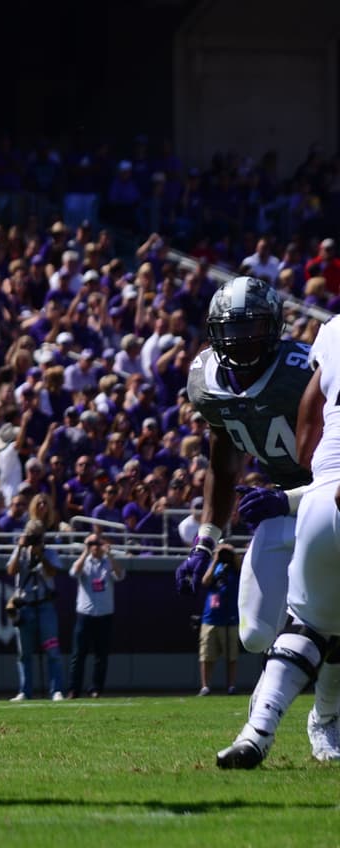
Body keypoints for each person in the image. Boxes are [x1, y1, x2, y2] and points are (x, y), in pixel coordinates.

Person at [171, 277, 339, 764]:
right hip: (279, 516)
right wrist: (205, 541)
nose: (242, 338)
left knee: (330, 623)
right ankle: (288, 686)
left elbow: (331, 465)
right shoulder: (205, 380)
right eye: (233, 328)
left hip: (318, 501)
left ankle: (321, 718)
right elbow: (222, 465)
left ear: (276, 326)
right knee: (256, 635)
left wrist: (285, 498)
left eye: (253, 326)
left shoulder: (300, 369)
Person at [217, 309, 340, 766]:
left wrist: (295, 496)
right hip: (319, 498)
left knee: (308, 626)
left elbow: (307, 444)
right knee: (318, 630)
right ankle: (323, 721)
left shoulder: (334, 330)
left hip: (322, 501)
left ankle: (258, 731)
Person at [6, 519, 65, 701]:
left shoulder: (49, 552)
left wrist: (41, 555)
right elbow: (11, 570)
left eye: (36, 536)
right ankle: (24, 690)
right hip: (25, 607)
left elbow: (53, 572)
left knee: (52, 651)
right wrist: (21, 548)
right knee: (24, 653)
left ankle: (56, 689)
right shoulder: (20, 552)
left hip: (44, 605)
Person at [66, 534, 123, 698]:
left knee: (101, 656)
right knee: (78, 655)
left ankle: (96, 689)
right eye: (92, 544)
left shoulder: (108, 563)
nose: (96, 547)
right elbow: (73, 572)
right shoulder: (85, 563)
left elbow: (120, 575)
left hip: (104, 615)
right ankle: (73, 689)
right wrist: (85, 551)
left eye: (98, 543)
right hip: (86, 614)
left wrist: (110, 555)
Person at [198, 544, 240, 697]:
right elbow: (205, 581)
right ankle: (205, 686)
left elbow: (241, 568)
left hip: (230, 618)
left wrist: (232, 553)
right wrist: (216, 559)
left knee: (232, 656)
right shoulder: (212, 566)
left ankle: (231, 685)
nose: (223, 554)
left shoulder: (235, 569)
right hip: (211, 618)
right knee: (206, 655)